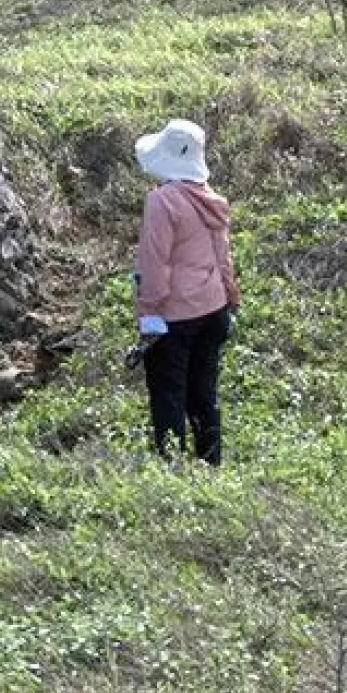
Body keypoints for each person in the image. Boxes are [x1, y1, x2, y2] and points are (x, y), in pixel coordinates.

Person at [132, 119, 240, 465]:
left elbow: (155, 262)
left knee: (168, 395)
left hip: (175, 315)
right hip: (213, 309)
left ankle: (171, 472)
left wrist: (149, 312)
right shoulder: (211, 199)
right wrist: (230, 298)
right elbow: (223, 257)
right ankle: (211, 464)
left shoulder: (162, 201)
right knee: (204, 394)